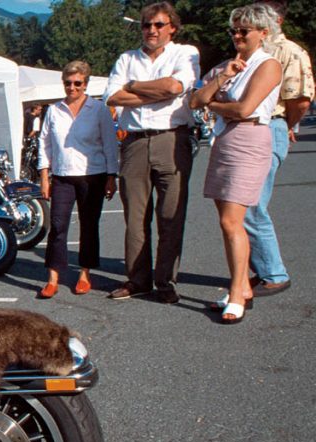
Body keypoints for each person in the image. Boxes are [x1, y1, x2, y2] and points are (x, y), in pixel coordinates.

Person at [190, 4, 282, 324]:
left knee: (232, 221)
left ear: (263, 33)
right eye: (234, 31)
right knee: (227, 221)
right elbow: (194, 100)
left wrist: (215, 104)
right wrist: (223, 77)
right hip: (225, 139)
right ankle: (241, 287)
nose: (238, 36)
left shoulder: (268, 65)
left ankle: (237, 292)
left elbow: (244, 109)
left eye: (244, 31)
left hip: (250, 138)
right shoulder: (229, 65)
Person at [103, 1, 199, 304]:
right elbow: (112, 97)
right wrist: (154, 93)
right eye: (146, 25)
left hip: (171, 139)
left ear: (172, 27)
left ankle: (166, 281)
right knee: (135, 218)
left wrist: (133, 86)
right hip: (134, 143)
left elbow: (174, 87)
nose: (152, 30)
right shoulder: (126, 58)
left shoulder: (185, 53)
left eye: (159, 24)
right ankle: (138, 280)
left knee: (171, 215)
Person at [244, 0, 313, 297]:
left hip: (271, 125)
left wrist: (286, 125)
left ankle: (274, 273)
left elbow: (300, 101)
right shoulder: (255, 52)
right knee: (244, 204)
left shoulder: (290, 52)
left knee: (252, 205)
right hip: (249, 130)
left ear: (276, 22)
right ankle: (262, 269)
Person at [37, 61, 119, 299]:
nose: (72, 88)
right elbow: (45, 143)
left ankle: (84, 273)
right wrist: (44, 176)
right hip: (62, 176)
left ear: (86, 84)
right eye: (68, 83)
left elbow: (110, 144)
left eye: (77, 83)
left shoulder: (99, 109)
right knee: (58, 226)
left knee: (89, 225)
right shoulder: (54, 110)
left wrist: (111, 176)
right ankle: (53, 277)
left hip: (93, 175)